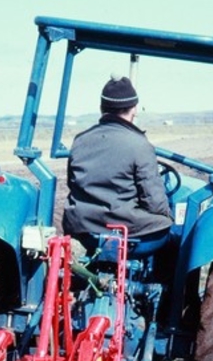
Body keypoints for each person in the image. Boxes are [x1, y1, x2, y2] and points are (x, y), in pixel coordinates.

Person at [62, 75, 172, 256]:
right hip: (126, 232)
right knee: (166, 226)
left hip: (83, 229)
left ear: (101, 108)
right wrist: (167, 215)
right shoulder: (140, 145)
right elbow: (154, 200)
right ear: (134, 109)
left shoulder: (80, 140)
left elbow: (72, 183)